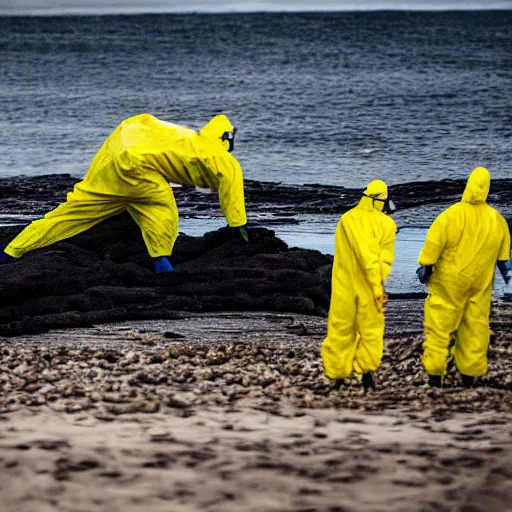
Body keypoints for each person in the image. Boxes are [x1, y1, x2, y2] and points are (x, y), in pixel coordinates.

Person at [0, 113, 248, 273]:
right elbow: (232, 194)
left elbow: (142, 125)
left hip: (117, 150)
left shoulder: (184, 137)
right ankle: (162, 265)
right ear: (226, 139)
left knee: (69, 213)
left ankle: (12, 251)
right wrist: (239, 227)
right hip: (138, 170)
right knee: (161, 211)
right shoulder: (223, 160)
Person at [417, 167, 511, 388]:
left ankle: (435, 375)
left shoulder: (450, 216)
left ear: (467, 185)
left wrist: (425, 271)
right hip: (479, 286)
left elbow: (431, 251)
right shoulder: (497, 220)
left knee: (439, 328)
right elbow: (505, 261)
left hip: (448, 284)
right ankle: (469, 377)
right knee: (475, 328)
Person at [321, 179, 396, 392]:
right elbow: (376, 259)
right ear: (382, 199)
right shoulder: (387, 224)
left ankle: (337, 378)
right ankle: (367, 378)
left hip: (343, 286)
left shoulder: (347, 218)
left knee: (339, 330)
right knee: (371, 331)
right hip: (369, 287)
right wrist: (377, 287)